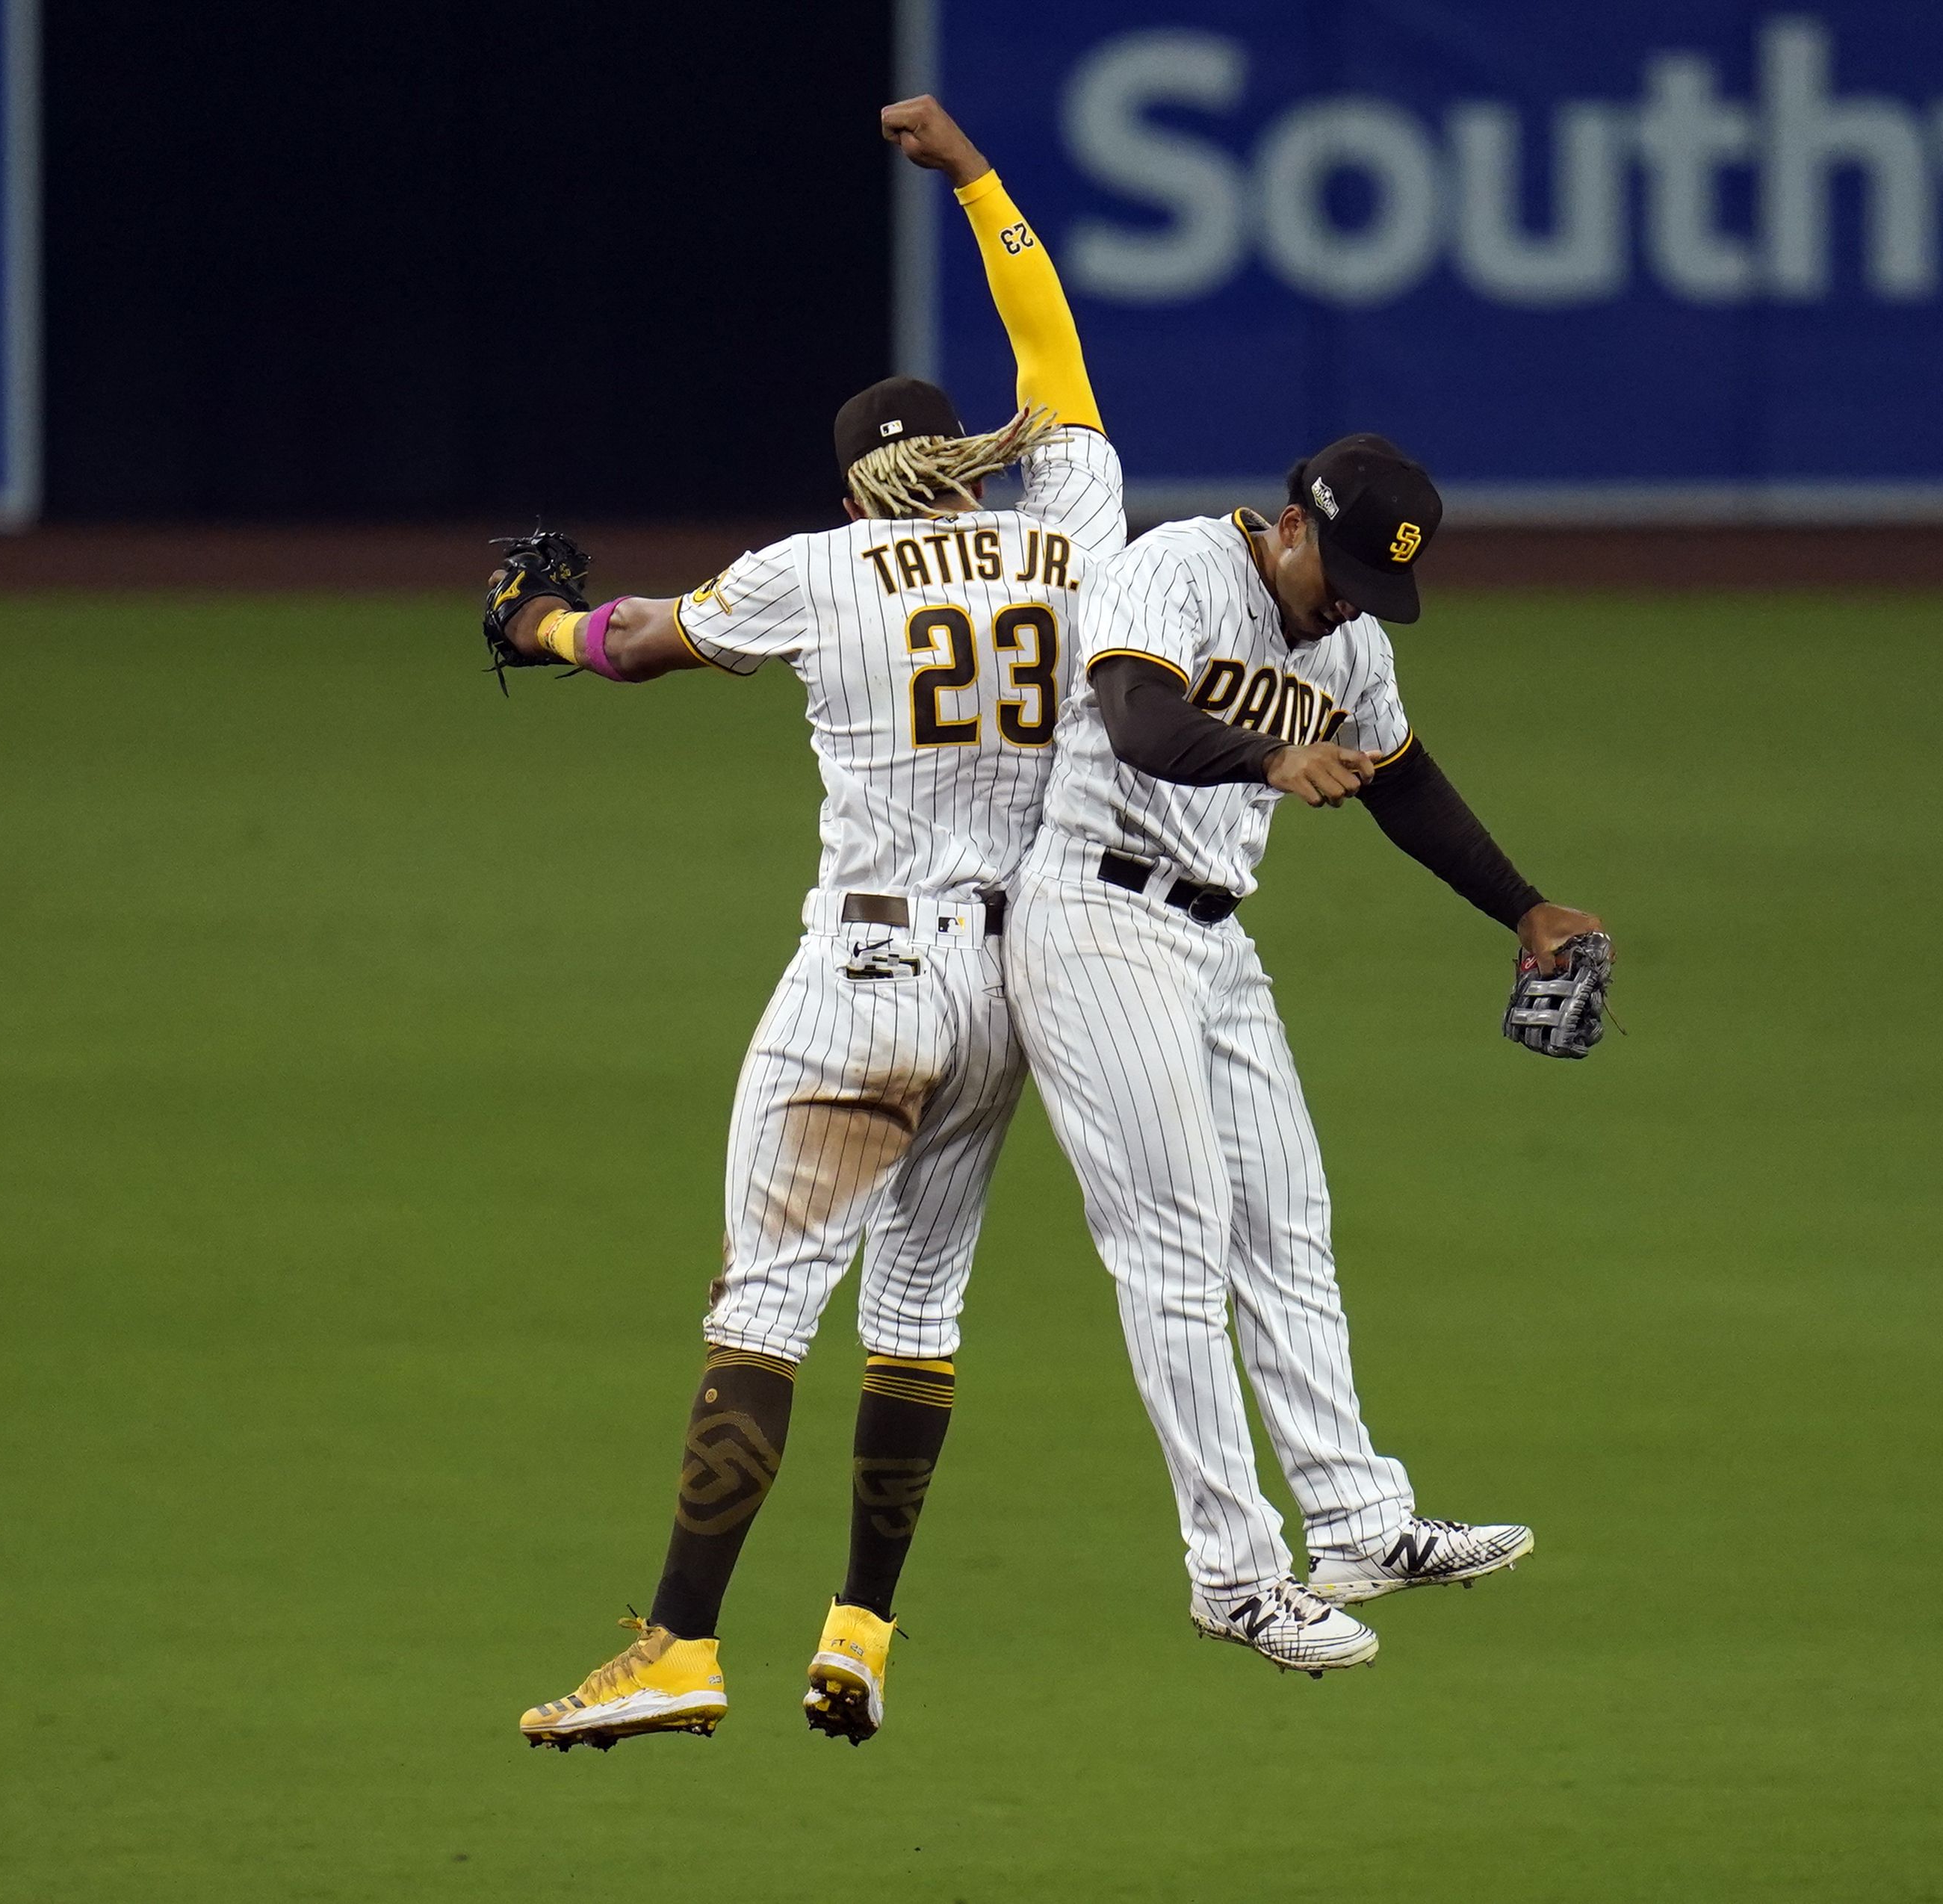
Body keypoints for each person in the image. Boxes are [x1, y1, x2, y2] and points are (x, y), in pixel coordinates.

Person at [488, 96, 1121, 1750]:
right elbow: (1048, 358)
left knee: (765, 1307)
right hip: (1018, 987)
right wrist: (978, 177)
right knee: (918, 1316)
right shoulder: (1071, 525)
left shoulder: (818, 571)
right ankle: (858, 1631)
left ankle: (680, 1643)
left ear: (857, 485)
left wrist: (543, 620)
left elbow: (631, 642)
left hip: (864, 970)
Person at [1005, 435, 1606, 1672]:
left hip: (1214, 942)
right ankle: (1232, 1573)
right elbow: (1136, 716)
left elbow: (1400, 777)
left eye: (1371, 587)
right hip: (1095, 918)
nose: (1345, 601)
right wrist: (1270, 755)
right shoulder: (1172, 571)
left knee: (1287, 1224)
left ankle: (1359, 1523)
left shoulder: (1352, 642)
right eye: (1334, 569)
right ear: (1287, 525)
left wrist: (1523, 906)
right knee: (1174, 1246)